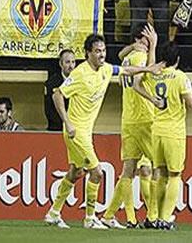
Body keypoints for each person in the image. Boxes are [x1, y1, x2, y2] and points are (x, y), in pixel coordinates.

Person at [44, 33, 162, 230]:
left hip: (84, 132)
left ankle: (53, 213)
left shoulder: (106, 69)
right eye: (97, 51)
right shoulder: (80, 74)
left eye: (104, 50)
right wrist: (68, 122)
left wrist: (147, 68)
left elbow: (125, 70)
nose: (102, 54)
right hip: (76, 132)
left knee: (76, 172)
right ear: (88, 53)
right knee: (97, 173)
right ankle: (90, 219)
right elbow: (57, 94)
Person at [133, 40, 192, 230]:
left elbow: (136, 85)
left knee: (159, 173)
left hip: (157, 130)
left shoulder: (154, 75)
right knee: (175, 175)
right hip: (174, 133)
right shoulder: (180, 77)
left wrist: (151, 99)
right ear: (177, 59)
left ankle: (152, 217)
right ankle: (166, 218)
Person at [101, 24, 157, 229]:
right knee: (156, 166)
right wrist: (154, 46)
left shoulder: (127, 58)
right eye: (147, 39)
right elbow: (145, 76)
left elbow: (121, 53)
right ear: (141, 40)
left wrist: (138, 44)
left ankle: (114, 216)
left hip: (128, 119)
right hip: (144, 117)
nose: (149, 42)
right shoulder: (140, 58)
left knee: (129, 171)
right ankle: (154, 216)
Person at [44, 49, 75, 132]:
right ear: (61, 64)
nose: (71, 66)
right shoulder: (51, 83)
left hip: (75, 127)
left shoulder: (79, 81)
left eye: (73, 62)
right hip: (56, 128)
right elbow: (49, 110)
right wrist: (65, 125)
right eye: (67, 62)